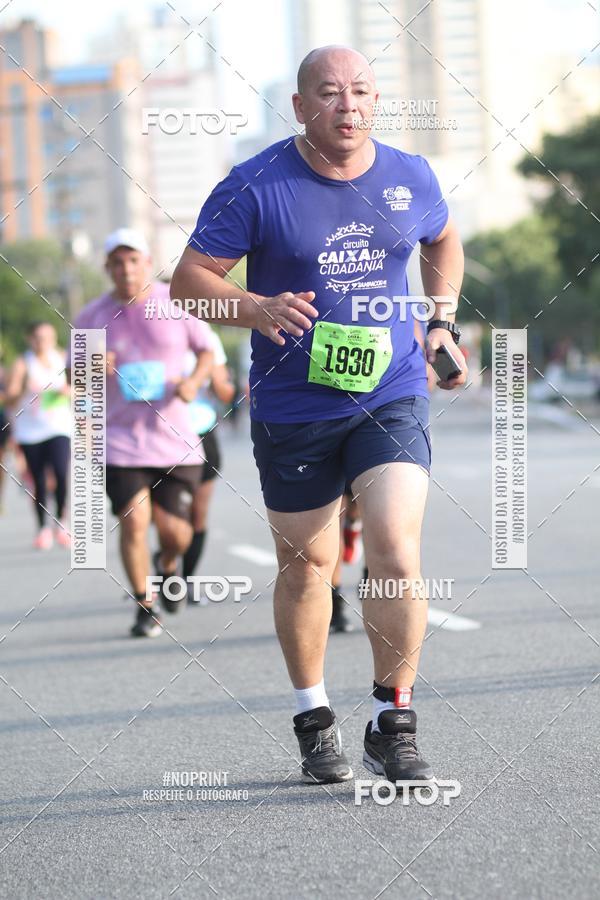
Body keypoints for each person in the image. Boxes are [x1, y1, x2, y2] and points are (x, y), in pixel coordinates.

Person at [171, 46, 467, 784]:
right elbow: (186, 285)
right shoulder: (255, 184)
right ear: (301, 106)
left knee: (396, 549)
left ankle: (392, 718)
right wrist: (254, 307)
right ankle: (313, 716)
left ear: (376, 101)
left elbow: (443, 237)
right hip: (294, 402)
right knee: (308, 565)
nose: (348, 105)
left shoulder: (411, 175)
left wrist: (441, 322)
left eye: (361, 91)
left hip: (391, 391)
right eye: (330, 93)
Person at [69, 229, 213, 637]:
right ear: (108, 268)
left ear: (147, 263)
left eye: (133, 260)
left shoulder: (175, 302)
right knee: (133, 522)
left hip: (176, 442)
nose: (126, 269)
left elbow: (206, 350)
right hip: (120, 442)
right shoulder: (92, 316)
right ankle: (144, 605)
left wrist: (193, 381)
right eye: (117, 262)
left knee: (175, 534)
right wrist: (90, 366)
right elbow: (72, 376)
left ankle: (168, 564)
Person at [179, 328, 236, 600]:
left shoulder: (205, 336)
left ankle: (186, 579)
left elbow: (225, 394)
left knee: (197, 514)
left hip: (200, 430)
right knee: (166, 518)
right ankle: (166, 559)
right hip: (153, 433)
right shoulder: (139, 328)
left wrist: (217, 381)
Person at [5, 322, 71, 548]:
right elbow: (10, 399)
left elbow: (81, 387)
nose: (44, 342)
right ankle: (43, 527)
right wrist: (24, 390)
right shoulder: (23, 363)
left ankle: (62, 522)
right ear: (30, 339)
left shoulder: (63, 357)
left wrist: (68, 390)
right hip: (30, 431)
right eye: (39, 338)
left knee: (61, 474)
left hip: (59, 426)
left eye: (48, 337)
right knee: (39, 480)